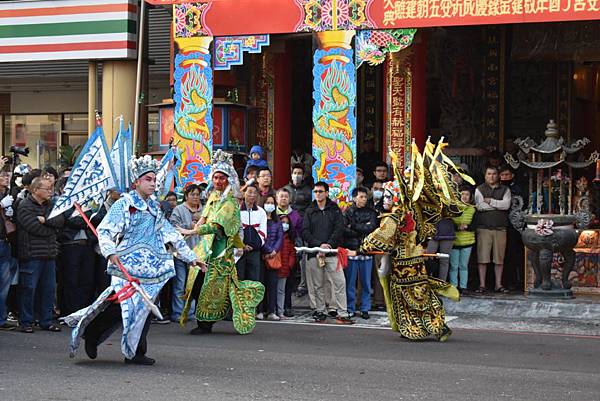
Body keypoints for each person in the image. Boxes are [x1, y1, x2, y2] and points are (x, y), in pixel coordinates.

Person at [62, 155, 198, 365]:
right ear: (137, 182)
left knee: (144, 308)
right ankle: (92, 334)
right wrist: (110, 252)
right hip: (126, 265)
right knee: (121, 307)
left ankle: (137, 352)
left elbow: (169, 233)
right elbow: (105, 230)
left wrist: (192, 258)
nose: (153, 184)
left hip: (152, 268)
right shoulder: (124, 204)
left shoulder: (153, 206)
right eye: (148, 180)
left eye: (154, 180)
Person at [357, 142, 464, 341]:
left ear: (396, 197)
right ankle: (432, 326)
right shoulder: (411, 213)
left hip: (404, 265)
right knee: (422, 295)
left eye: (388, 195)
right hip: (414, 262)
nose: (385, 198)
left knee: (409, 298)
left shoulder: (395, 217)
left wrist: (363, 246)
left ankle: (417, 329)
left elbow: (380, 238)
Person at [178, 150, 264, 335]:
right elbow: (205, 218)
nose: (218, 181)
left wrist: (191, 231)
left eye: (222, 178)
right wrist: (193, 229)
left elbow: (216, 226)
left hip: (220, 255)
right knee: (194, 285)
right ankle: (205, 320)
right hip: (205, 250)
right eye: (215, 177)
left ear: (228, 180)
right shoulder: (213, 198)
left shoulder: (230, 202)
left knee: (210, 288)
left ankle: (205, 323)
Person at [16, 176, 65, 333]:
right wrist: (51, 228)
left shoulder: (51, 205)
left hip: (49, 254)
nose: (50, 191)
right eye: (47, 189)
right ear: (35, 190)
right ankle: (26, 321)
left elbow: (60, 221)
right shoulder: (24, 206)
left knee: (48, 290)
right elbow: (33, 228)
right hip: (32, 254)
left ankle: (46, 320)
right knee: (28, 289)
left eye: (51, 188)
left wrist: (45, 220)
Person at [302, 181, 353, 324]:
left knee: (339, 282)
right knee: (318, 285)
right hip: (315, 252)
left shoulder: (334, 209)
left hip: (332, 252)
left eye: (320, 191)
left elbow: (339, 229)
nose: (317, 194)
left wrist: (329, 245)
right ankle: (320, 311)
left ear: (326, 193)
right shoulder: (310, 210)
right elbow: (305, 231)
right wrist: (319, 245)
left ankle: (342, 312)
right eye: (316, 191)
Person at [475, 166, 511, 294]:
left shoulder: (505, 189)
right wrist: (497, 205)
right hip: (483, 228)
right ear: (485, 176)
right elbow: (480, 206)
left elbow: (506, 205)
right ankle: (482, 284)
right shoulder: (479, 189)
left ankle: (498, 284)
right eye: (489, 174)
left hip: (500, 228)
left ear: (498, 176)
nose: (491, 176)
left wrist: (490, 201)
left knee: (499, 259)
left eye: (494, 174)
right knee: (482, 258)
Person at [343, 187, 378, 319]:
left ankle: (365, 308)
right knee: (350, 283)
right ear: (354, 198)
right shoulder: (347, 212)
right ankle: (350, 308)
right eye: (361, 196)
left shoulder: (372, 212)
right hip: (351, 250)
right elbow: (344, 230)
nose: (364, 199)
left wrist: (354, 226)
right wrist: (361, 228)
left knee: (366, 283)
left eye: (365, 197)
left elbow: (371, 229)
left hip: (366, 251)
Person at [169, 184, 202, 322]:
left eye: (197, 194)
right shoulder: (178, 209)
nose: (195, 197)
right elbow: (172, 227)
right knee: (180, 284)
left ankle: (190, 313)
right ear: (186, 195)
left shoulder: (204, 210)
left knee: (193, 284)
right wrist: (189, 227)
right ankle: (177, 313)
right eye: (192, 194)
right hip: (181, 253)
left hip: (198, 253)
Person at [237, 185, 267, 282]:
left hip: (255, 251)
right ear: (244, 193)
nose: (252, 195)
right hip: (238, 251)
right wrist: (241, 245)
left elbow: (263, 233)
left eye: (255, 193)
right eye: (249, 192)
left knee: (254, 282)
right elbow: (234, 231)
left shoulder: (261, 211)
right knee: (239, 280)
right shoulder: (236, 210)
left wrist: (254, 246)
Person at [260, 195, 283, 321]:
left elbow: (280, 237)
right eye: (267, 202)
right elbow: (261, 236)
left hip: (273, 256)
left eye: (272, 202)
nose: (270, 204)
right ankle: (260, 310)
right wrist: (268, 250)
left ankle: (271, 311)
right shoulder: (261, 218)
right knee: (261, 283)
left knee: (273, 285)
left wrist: (274, 251)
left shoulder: (277, 220)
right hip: (262, 255)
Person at [449, 187, 476, 291]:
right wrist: (457, 227)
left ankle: (463, 286)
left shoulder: (473, 209)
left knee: (464, 265)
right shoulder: (453, 208)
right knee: (454, 266)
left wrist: (467, 227)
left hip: (468, 241)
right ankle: (453, 286)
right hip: (454, 240)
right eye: (462, 194)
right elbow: (450, 222)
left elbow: (475, 224)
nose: (464, 196)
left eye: (467, 194)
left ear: (470, 197)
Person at [0, 166, 16, 331]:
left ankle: (1, 319)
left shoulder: (6, 195)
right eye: (2, 174)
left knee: (4, 285)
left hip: (4, 242)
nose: (6, 177)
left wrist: (9, 213)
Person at [277, 214, 296, 318]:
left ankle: (281, 310)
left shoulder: (290, 239)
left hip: (285, 268)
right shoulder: (275, 236)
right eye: (283, 222)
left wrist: (289, 265)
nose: (285, 225)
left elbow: (292, 253)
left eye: (287, 223)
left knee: (282, 291)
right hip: (274, 267)